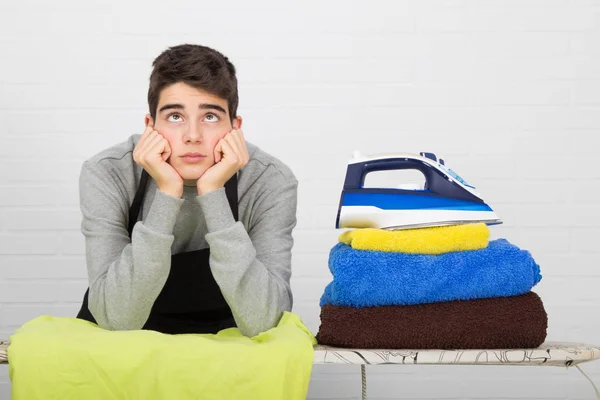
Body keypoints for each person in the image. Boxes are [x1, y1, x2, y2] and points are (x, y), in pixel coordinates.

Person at [75, 44, 298, 337]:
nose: (192, 136)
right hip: (122, 357)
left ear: (235, 127)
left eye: (210, 117)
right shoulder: (108, 172)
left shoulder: (270, 181)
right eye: (175, 117)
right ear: (150, 125)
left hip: (227, 354)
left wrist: (213, 192)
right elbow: (115, 318)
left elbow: (264, 321)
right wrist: (168, 192)